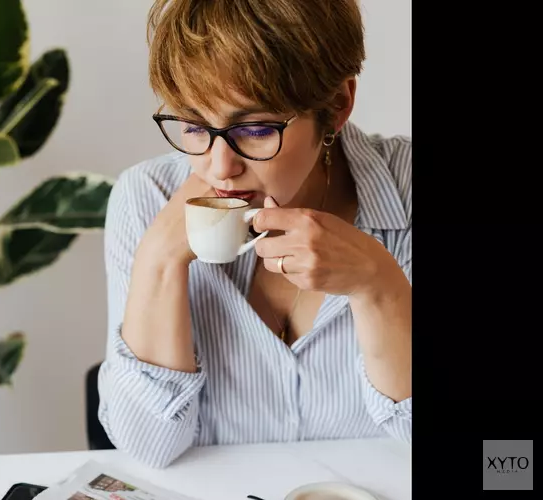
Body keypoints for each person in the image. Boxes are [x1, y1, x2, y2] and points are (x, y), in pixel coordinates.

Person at [98, 0, 411, 469]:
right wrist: (159, 262)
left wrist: (380, 288)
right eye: (193, 126)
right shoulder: (147, 197)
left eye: (257, 129)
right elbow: (148, 448)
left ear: (338, 105)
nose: (219, 166)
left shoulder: (405, 190)